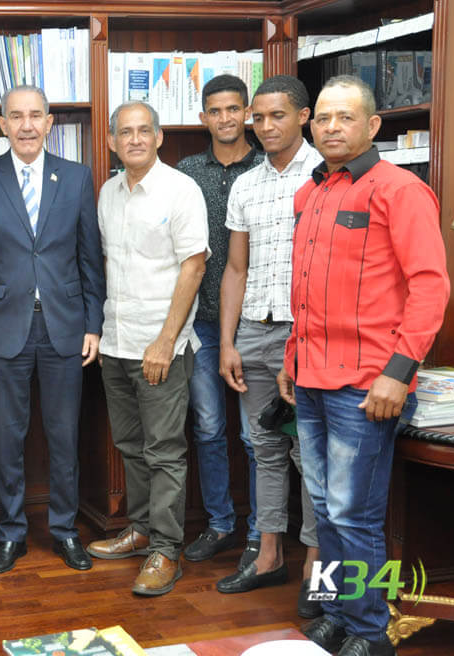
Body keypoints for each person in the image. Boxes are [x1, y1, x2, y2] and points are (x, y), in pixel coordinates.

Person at [284, 75, 449, 656]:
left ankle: (371, 632)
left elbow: (430, 288)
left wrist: (397, 374)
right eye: (323, 117)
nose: (331, 127)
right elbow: (305, 289)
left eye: (345, 117)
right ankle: (337, 610)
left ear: (372, 125)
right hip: (309, 376)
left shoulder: (400, 191)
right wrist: (290, 359)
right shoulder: (312, 192)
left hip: (365, 385)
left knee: (357, 515)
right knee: (325, 509)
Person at [0, 85, 106, 574]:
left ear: (49, 123)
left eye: (35, 116)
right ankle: (11, 533)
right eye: (16, 116)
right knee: (8, 437)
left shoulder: (79, 177)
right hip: (3, 331)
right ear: (2, 125)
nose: (26, 125)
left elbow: (89, 257)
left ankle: (65, 531)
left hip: (65, 328)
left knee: (64, 437)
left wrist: (93, 322)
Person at [86, 101, 208, 596]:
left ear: (159, 137)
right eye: (124, 132)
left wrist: (165, 340)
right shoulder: (108, 193)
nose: (134, 139)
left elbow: (194, 266)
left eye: (143, 131)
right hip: (116, 342)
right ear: (113, 141)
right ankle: (139, 530)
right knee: (129, 446)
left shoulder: (181, 190)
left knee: (163, 451)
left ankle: (166, 549)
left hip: (161, 347)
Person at [215, 76, 321, 616]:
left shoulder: (325, 177)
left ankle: (314, 565)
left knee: (309, 453)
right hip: (254, 332)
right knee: (264, 447)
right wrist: (228, 341)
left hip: (305, 339)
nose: (265, 126)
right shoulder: (246, 185)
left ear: (303, 116)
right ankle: (269, 554)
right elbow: (235, 269)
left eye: (277, 115)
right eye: (259, 117)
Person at [176, 75, 264, 567]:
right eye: (216, 110)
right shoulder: (187, 171)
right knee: (208, 429)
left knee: (256, 438)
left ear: (246, 112)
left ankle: (260, 532)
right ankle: (220, 524)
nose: (226, 118)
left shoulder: (267, 166)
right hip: (203, 323)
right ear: (203, 116)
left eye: (234, 109)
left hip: (258, 323)